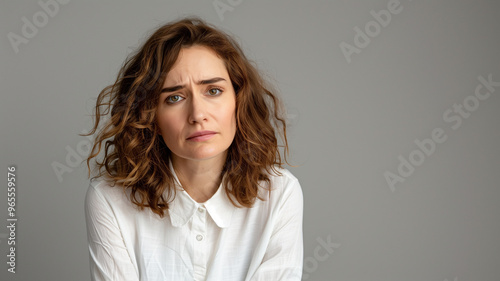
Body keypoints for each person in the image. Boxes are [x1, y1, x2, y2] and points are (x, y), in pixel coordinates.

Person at [83, 16, 303, 281]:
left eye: (213, 91)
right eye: (174, 97)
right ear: (149, 115)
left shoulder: (279, 194)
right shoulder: (109, 198)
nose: (198, 114)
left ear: (239, 99)